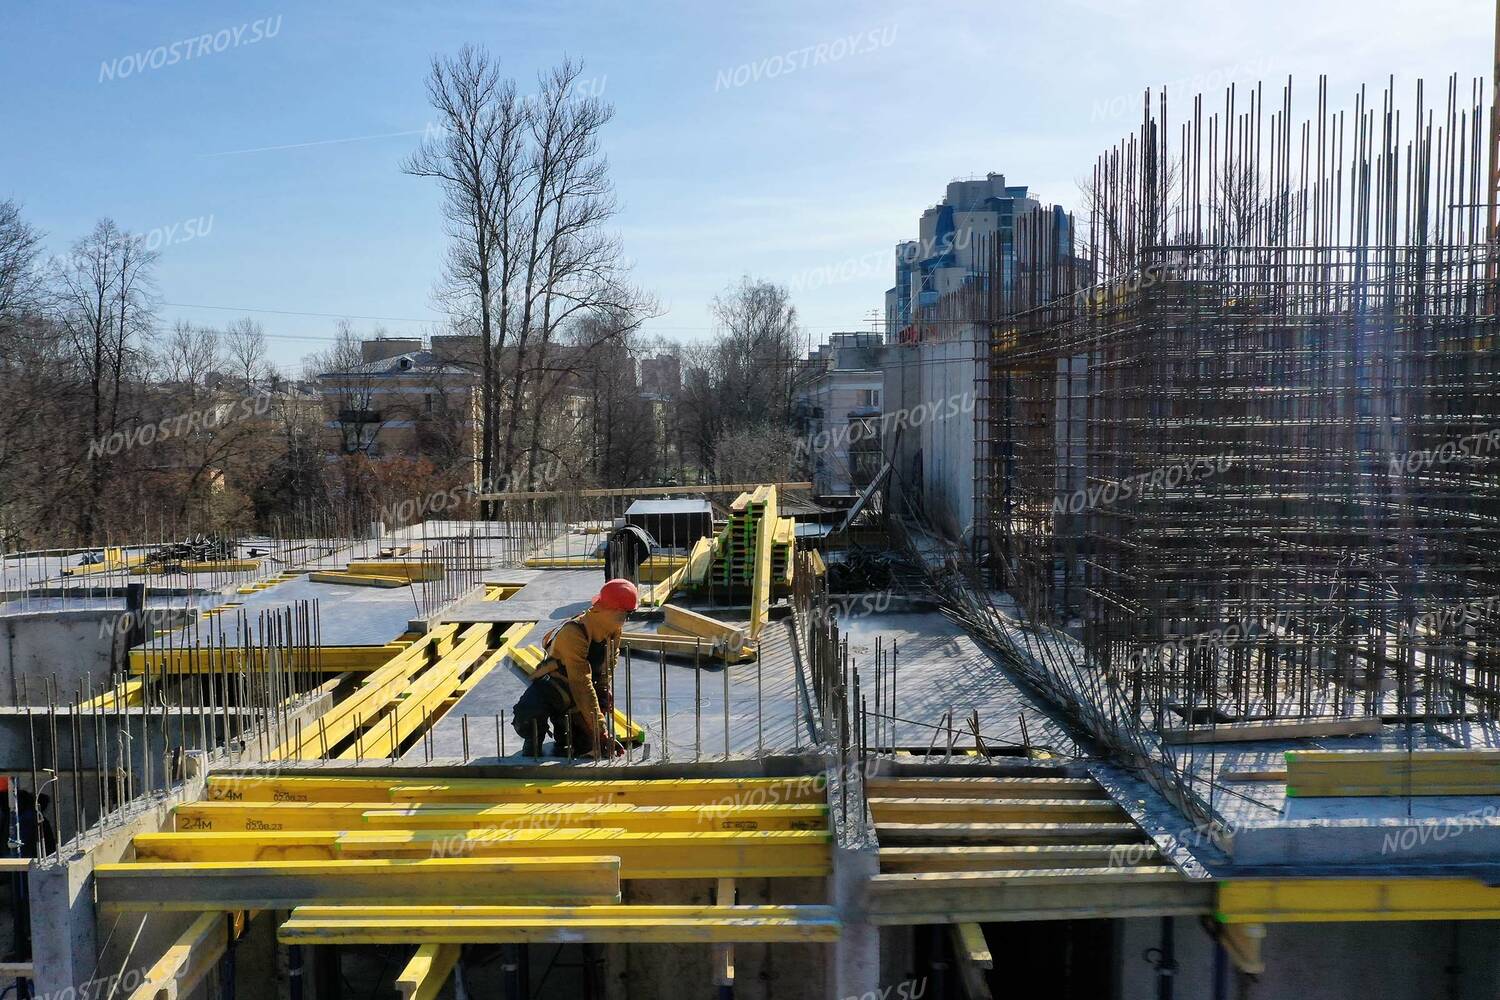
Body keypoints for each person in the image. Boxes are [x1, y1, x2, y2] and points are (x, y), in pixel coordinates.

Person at [512, 579, 637, 758]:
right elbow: (581, 683)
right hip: (555, 689)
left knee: (585, 748)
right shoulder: (574, 632)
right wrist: (601, 731)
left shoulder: (613, 630)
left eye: (628, 615)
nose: (624, 621)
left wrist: (603, 691)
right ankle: (534, 738)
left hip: (578, 696)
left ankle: (566, 730)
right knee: (529, 711)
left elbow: (608, 666)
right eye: (622, 615)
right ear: (604, 609)